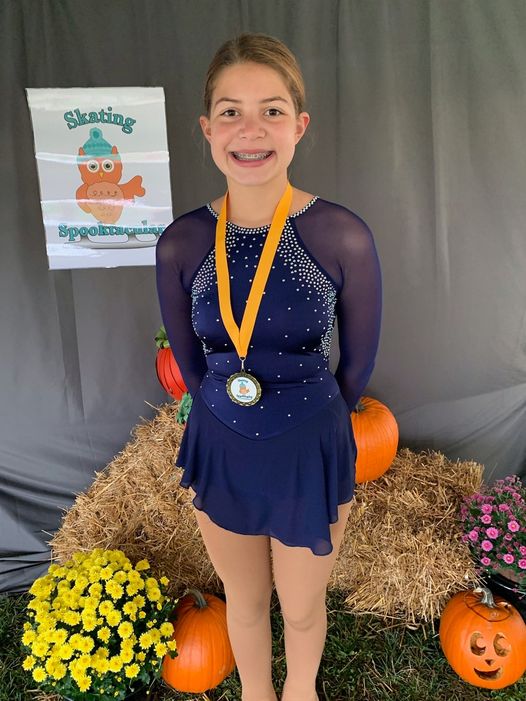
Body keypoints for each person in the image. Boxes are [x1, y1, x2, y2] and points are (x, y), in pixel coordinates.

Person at [156, 32, 382, 701]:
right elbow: (189, 362)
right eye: (230, 111)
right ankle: (257, 691)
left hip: (310, 447)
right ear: (207, 128)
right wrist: (222, 412)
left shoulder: (340, 234)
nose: (250, 130)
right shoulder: (182, 242)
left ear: (299, 125)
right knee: (246, 602)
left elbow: (358, 364)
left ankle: (301, 688)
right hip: (221, 443)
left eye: (271, 110)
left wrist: (314, 421)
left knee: (303, 607)